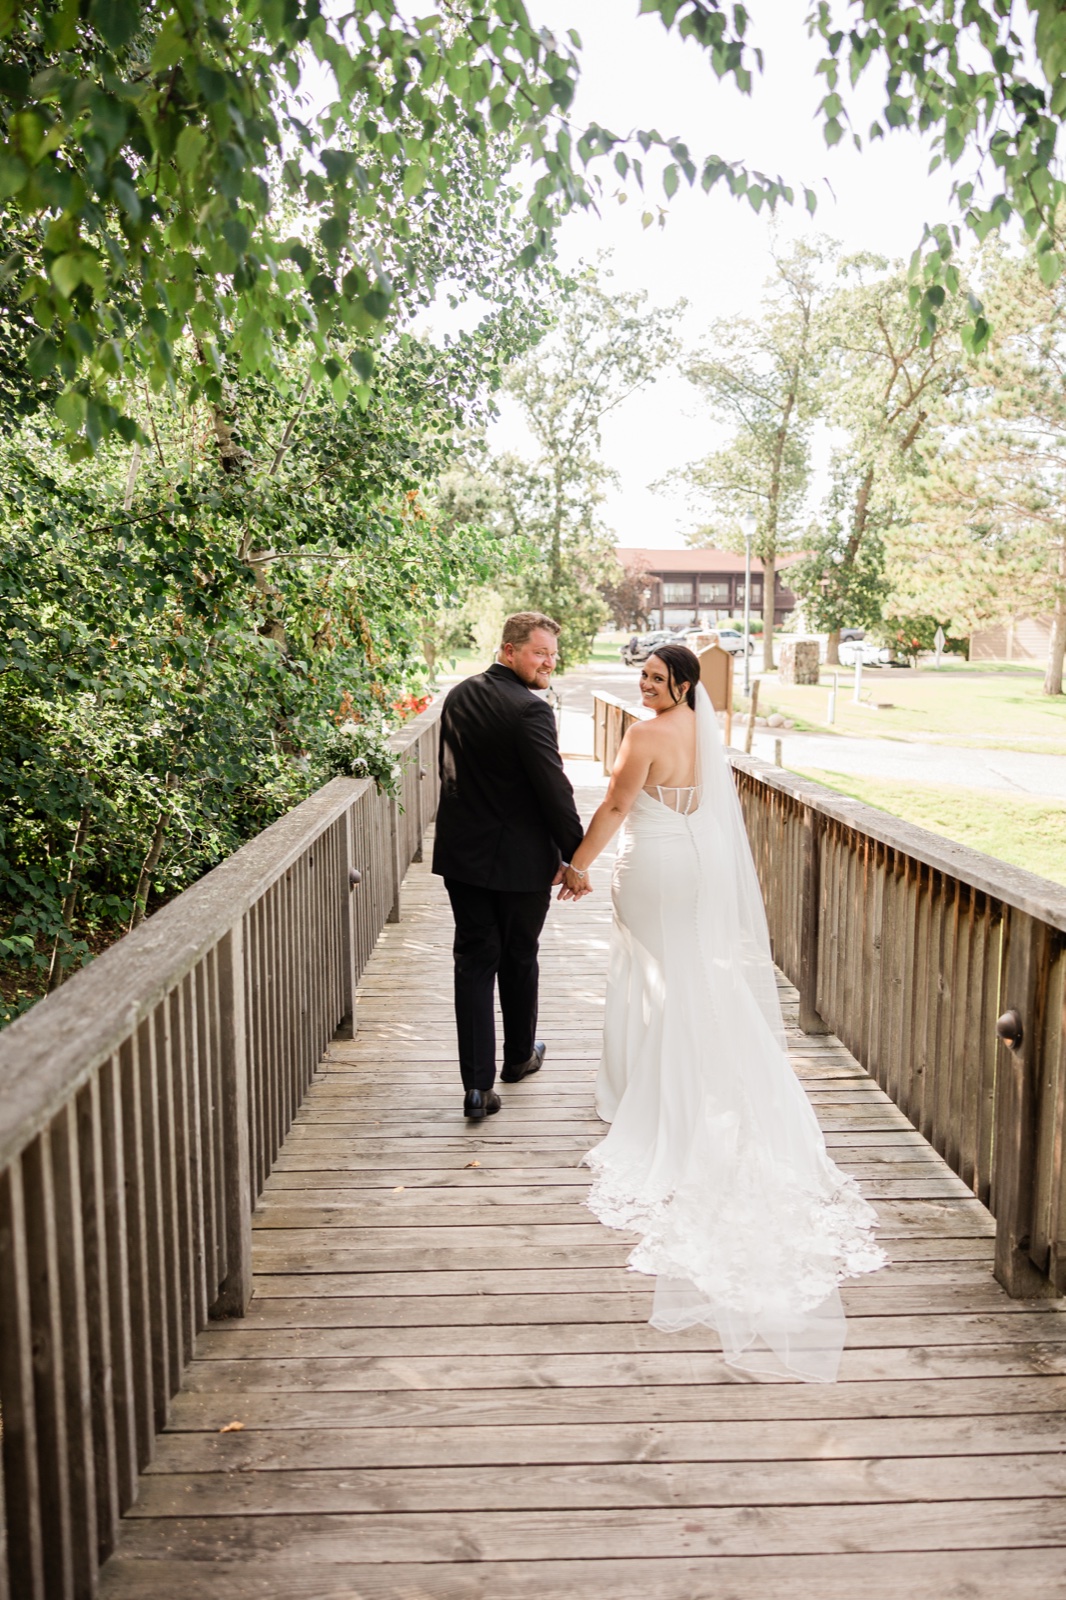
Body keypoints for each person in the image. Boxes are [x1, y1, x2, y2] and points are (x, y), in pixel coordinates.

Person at [559, 643, 886, 1382]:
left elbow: (614, 805)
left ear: (681, 685)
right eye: (641, 676)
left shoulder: (643, 736)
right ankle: (688, 1081)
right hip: (696, 871)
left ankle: (657, 1101)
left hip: (655, 869)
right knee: (690, 981)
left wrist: (578, 864)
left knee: (662, 980)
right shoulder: (705, 733)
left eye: (657, 678)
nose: (645, 686)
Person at [433, 612, 584, 1122]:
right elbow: (554, 789)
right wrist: (577, 856)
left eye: (552, 654)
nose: (548, 662)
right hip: (519, 863)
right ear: (509, 650)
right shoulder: (530, 710)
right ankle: (518, 1058)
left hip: (464, 856)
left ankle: (477, 1089)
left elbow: (450, 770)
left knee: (474, 964)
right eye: (540, 652)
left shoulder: (459, 695)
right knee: (518, 956)